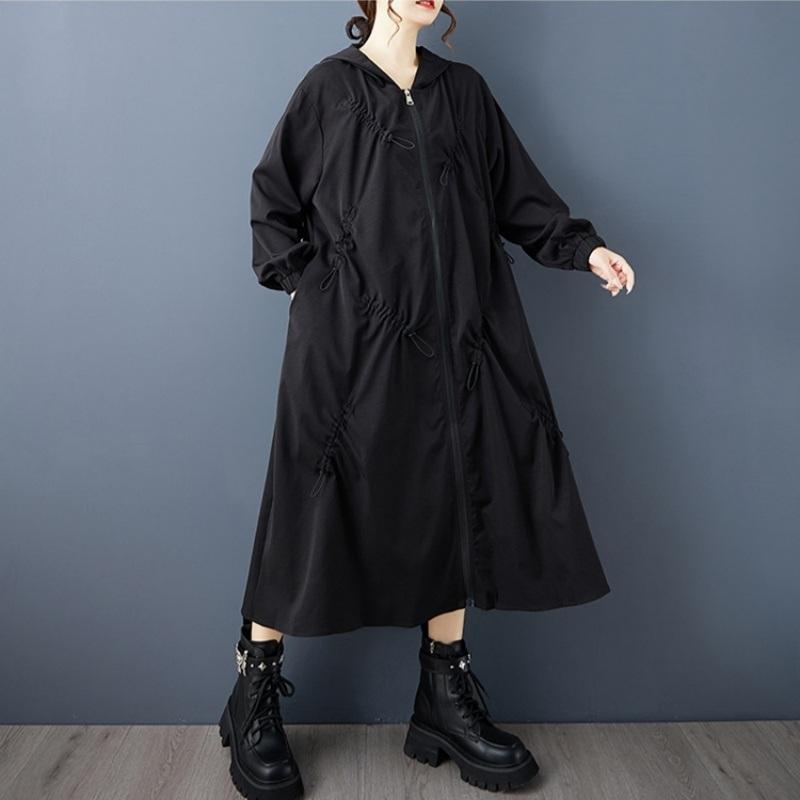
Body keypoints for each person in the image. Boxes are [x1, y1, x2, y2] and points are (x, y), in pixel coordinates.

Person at [219, 1, 635, 797]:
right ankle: (254, 692)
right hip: (346, 349)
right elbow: (272, 201)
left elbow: (518, 195)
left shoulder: (463, 91)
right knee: (308, 505)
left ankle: (444, 695)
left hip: (457, 344)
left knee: (453, 494)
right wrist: (315, 291)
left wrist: (584, 249)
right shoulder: (328, 88)